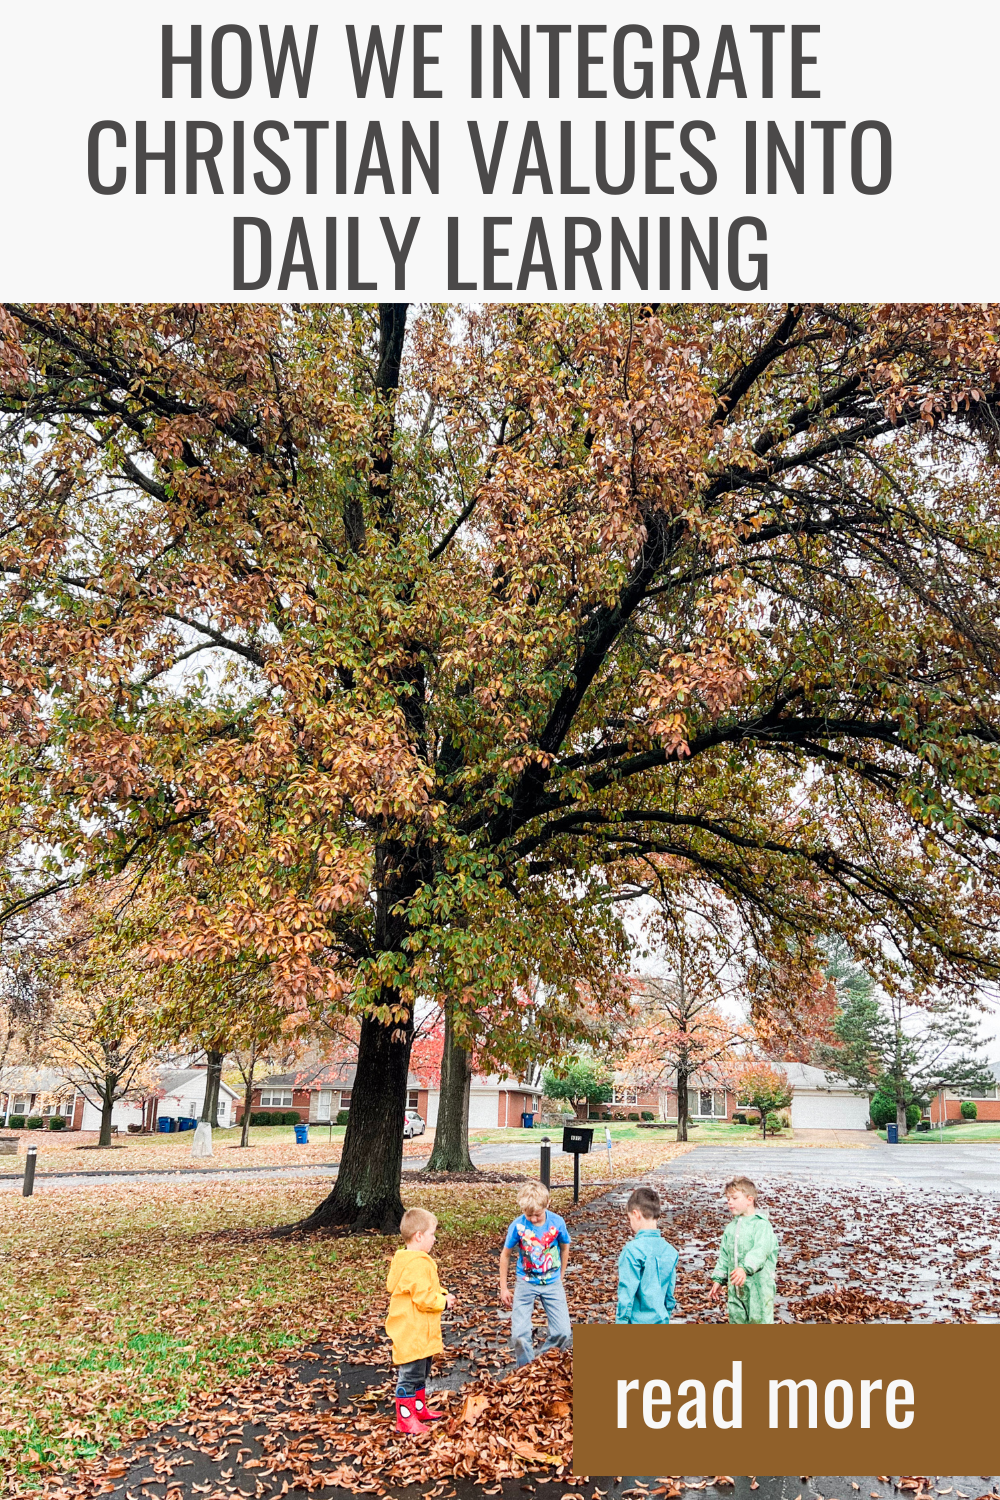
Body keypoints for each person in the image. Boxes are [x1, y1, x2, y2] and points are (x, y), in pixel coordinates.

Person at [385, 1207, 455, 1433]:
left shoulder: (409, 1259)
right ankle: (405, 1419)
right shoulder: (417, 1262)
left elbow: (426, 1288)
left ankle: (418, 1408)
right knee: (410, 1375)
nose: (434, 1238)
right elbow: (424, 1297)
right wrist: (442, 1302)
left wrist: (441, 1293)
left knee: (421, 1372)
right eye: (432, 1234)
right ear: (419, 1236)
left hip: (418, 1330)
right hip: (412, 1331)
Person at [499, 1180, 572, 1366]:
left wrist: (561, 1276)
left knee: (563, 1331)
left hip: (552, 1282)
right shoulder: (518, 1226)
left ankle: (543, 1362)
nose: (532, 1219)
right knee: (519, 1335)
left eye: (537, 1215)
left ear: (547, 1204)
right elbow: (505, 1255)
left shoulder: (557, 1223)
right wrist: (504, 1288)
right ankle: (527, 1370)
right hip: (526, 1282)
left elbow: (565, 1248)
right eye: (528, 1215)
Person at [708, 1175, 779, 1324]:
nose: (729, 1202)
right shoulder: (731, 1228)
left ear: (749, 1200)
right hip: (736, 1288)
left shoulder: (762, 1225)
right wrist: (719, 1280)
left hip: (759, 1287)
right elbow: (725, 1256)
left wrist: (744, 1268)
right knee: (737, 1319)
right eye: (728, 1199)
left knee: (759, 1319)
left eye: (734, 1198)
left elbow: (761, 1250)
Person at [615, 1184, 678, 1324]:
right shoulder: (670, 1251)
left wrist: (621, 1321)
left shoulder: (632, 1251)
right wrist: (665, 1314)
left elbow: (627, 1293)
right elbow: (669, 1294)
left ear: (636, 1214)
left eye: (630, 1218)